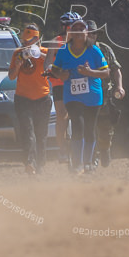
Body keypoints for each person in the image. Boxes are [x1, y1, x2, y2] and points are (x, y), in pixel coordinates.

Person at [50, 19, 109, 173]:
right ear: (71, 33)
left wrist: (90, 73)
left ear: (86, 33)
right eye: (75, 29)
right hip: (72, 96)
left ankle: (88, 163)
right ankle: (76, 163)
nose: (78, 32)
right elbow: (55, 70)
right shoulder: (63, 50)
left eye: (81, 29)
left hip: (93, 96)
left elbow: (106, 72)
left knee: (89, 129)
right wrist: (61, 75)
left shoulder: (94, 50)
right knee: (78, 125)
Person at [8, 23, 52, 174]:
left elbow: (55, 66)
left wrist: (38, 54)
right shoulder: (17, 53)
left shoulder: (45, 51)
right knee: (27, 131)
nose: (26, 43)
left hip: (42, 98)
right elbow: (11, 76)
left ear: (36, 38)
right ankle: (29, 162)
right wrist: (18, 65)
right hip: (23, 98)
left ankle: (40, 163)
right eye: (25, 40)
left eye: (29, 39)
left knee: (41, 133)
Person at [86, 20, 125, 168]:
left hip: (104, 94)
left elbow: (116, 69)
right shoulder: (77, 50)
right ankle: (92, 155)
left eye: (93, 33)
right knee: (88, 126)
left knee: (106, 127)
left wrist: (120, 87)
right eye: (88, 32)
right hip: (85, 95)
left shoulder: (105, 49)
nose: (91, 35)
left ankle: (105, 149)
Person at [47, 11, 82, 165]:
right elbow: (47, 61)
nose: (72, 29)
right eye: (69, 26)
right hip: (60, 83)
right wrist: (50, 70)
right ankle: (62, 149)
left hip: (77, 82)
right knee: (61, 115)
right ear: (64, 27)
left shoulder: (83, 41)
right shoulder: (57, 41)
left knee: (78, 116)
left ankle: (80, 148)